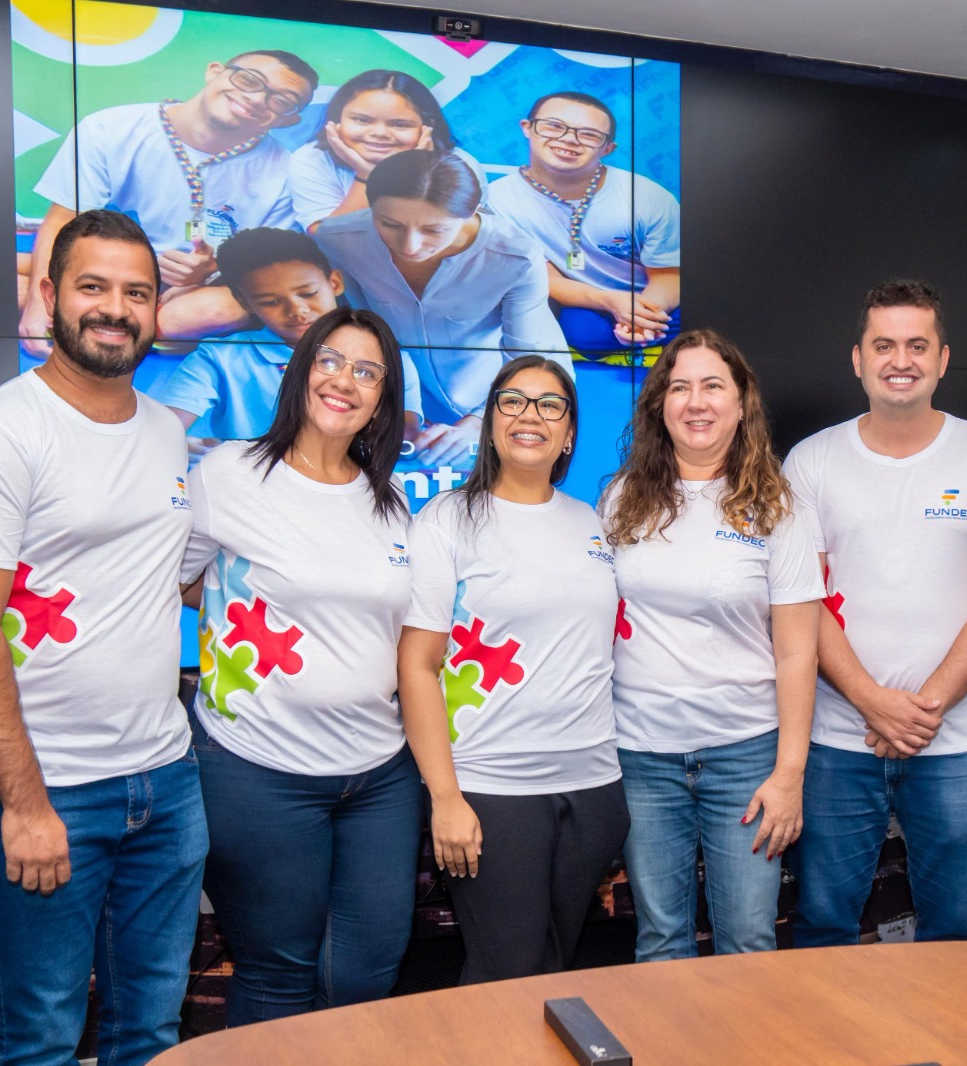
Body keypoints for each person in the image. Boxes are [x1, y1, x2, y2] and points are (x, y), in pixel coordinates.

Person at [0, 210, 206, 1065]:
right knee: (43, 1034)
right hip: (47, 786)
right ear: (49, 297)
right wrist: (24, 803)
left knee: (150, 1030)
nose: (115, 309)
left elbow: (161, 577)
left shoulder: (166, 432)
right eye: (93, 287)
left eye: (136, 293)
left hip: (165, 779)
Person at [178, 307, 421, 1025]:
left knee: (365, 976)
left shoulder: (389, 501)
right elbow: (178, 580)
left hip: (380, 777)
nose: (345, 380)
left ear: (383, 398)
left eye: (368, 371)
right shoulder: (229, 473)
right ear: (301, 369)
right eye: (330, 360)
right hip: (258, 771)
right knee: (277, 975)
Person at [783, 280, 967, 945]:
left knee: (953, 932)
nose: (901, 360)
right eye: (884, 345)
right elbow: (801, 599)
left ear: (943, 359)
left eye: (917, 345)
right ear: (858, 359)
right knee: (822, 925)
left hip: (952, 740)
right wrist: (873, 702)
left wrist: (921, 709)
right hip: (839, 739)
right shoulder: (811, 462)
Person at [397, 356, 629, 983]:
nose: (531, 416)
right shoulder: (446, 519)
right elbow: (417, 665)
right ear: (491, 421)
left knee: (554, 965)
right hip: (492, 788)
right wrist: (445, 797)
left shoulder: (591, 521)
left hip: (593, 787)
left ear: (570, 433)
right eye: (514, 401)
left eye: (550, 405)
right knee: (508, 972)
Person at [602, 330, 821, 960]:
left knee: (748, 941)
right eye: (680, 387)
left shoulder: (778, 508)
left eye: (713, 386)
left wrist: (789, 774)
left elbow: (798, 653)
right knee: (660, 940)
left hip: (745, 757)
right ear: (660, 406)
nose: (696, 402)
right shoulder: (621, 499)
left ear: (742, 402)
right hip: (643, 756)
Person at [19, 50, 320, 354]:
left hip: (195, 293)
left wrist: (211, 273)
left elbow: (267, 269)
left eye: (281, 100)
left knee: (224, 309)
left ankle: (104, 322)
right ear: (215, 71)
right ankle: (127, 322)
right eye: (249, 80)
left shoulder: (287, 171)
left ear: (288, 120)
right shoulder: (109, 128)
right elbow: (63, 218)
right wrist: (37, 305)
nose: (256, 99)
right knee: (17, 278)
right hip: (109, 266)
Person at [317, 150, 569, 468]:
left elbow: (533, 359)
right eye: (390, 224)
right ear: (371, 205)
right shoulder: (338, 240)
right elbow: (365, 330)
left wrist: (481, 422)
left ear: (472, 212)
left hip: (491, 396)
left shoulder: (516, 256)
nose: (409, 246)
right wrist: (396, 405)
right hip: (389, 395)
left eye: (434, 230)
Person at [152, 227, 420, 458]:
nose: (297, 310)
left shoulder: (388, 356)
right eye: (271, 302)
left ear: (335, 283)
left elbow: (405, 434)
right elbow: (165, 427)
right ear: (246, 303)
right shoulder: (218, 357)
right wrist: (179, 444)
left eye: (309, 293)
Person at [485, 91, 680, 351]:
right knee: (583, 331)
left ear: (608, 148)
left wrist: (644, 315)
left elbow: (668, 274)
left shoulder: (647, 196)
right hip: (586, 299)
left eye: (588, 134)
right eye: (554, 126)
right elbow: (544, 277)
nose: (568, 139)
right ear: (527, 128)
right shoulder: (498, 199)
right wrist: (610, 301)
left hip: (652, 295)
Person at [288, 69, 485, 232]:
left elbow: (446, 242)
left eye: (399, 124)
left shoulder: (461, 166)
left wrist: (416, 171)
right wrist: (365, 177)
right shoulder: (311, 159)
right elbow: (328, 241)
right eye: (362, 120)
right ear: (336, 120)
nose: (379, 133)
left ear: (427, 127)